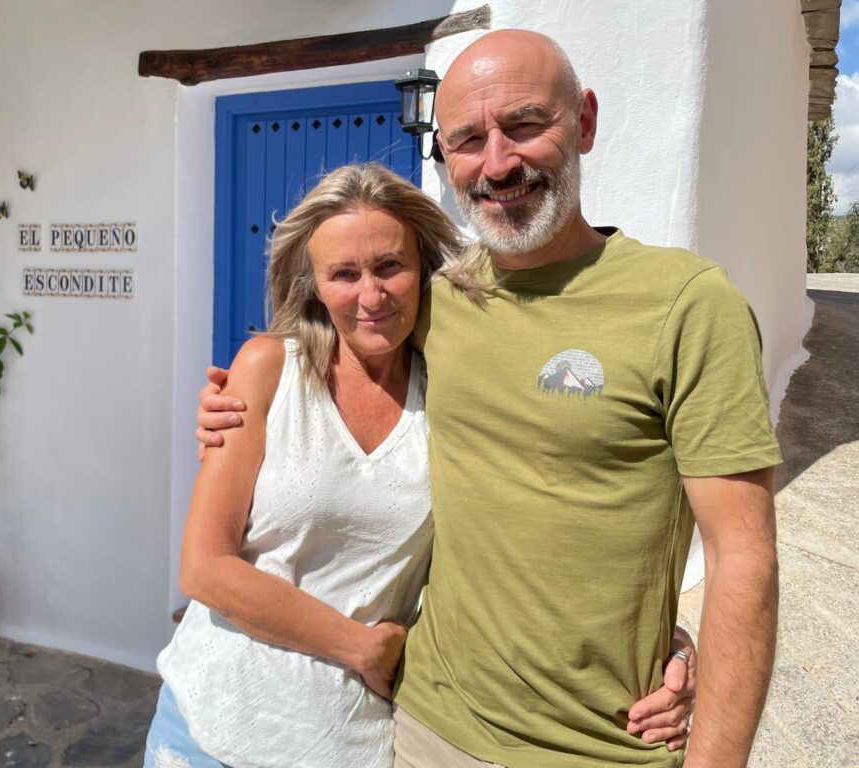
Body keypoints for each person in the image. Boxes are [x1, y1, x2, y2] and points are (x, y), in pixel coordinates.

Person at [196, 30, 780, 768]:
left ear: (585, 122)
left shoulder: (687, 305)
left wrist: (685, 655)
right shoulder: (436, 304)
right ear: (445, 155)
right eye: (468, 140)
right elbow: (330, 354)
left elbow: (742, 559)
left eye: (525, 124)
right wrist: (233, 404)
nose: (497, 163)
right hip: (424, 729)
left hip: (604, 748)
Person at [148, 163, 695, 768]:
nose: (371, 296)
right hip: (208, 729)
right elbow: (204, 569)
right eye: (344, 274)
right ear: (315, 285)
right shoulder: (269, 368)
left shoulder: (454, 389)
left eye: (389, 266)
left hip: (349, 746)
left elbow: (539, 526)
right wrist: (361, 646)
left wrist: (663, 644)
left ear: (424, 266)